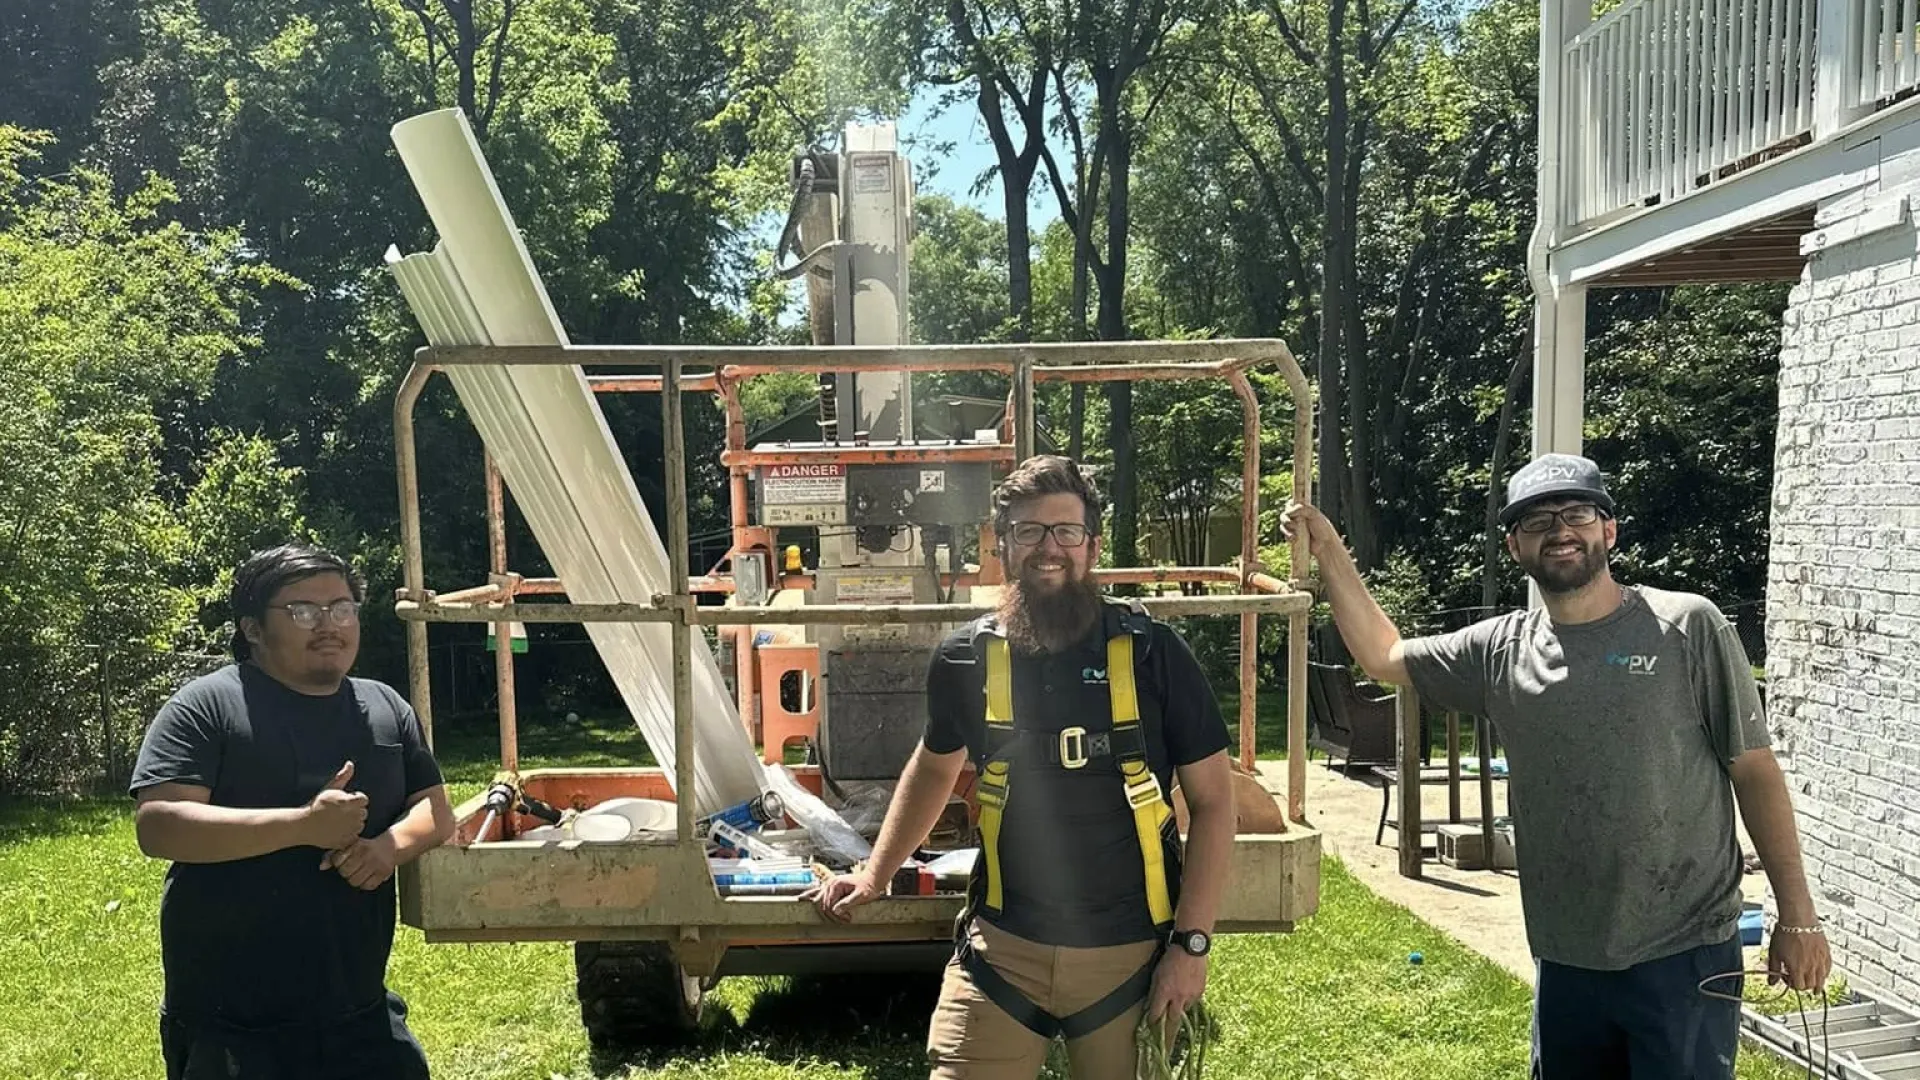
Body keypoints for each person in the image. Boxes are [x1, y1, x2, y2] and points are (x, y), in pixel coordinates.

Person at [1282, 453, 1832, 1080]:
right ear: (1515, 544)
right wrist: (1328, 551)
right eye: (1538, 521)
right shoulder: (1499, 650)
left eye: (1577, 513)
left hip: (1686, 954)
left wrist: (1798, 917)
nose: (1560, 530)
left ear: (1609, 530)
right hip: (1567, 957)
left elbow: (1755, 771)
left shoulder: (1686, 627)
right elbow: (1383, 656)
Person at [806, 454, 1237, 1079]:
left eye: (1066, 531)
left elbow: (1216, 802)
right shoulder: (965, 658)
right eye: (1029, 531)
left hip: (1130, 961)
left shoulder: (1154, 655)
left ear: (1091, 545)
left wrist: (1191, 947)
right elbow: (933, 769)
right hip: (1002, 955)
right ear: (1003, 544)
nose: (1048, 548)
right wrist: (874, 875)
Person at [130, 543, 456, 1080]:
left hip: (359, 1013)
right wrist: (304, 825)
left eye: (342, 607)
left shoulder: (384, 707)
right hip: (232, 1026)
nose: (328, 623)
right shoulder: (208, 706)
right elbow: (160, 825)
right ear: (253, 628)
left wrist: (386, 849)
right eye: (303, 610)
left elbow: (435, 811)